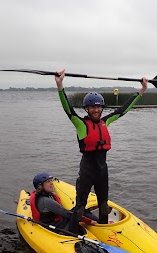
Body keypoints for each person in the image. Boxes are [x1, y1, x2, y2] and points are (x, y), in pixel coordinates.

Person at [55, 69, 148, 233]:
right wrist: (60, 84)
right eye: (92, 108)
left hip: (102, 172)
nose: (96, 110)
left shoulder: (106, 121)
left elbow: (123, 110)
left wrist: (142, 91)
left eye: (98, 107)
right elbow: (67, 108)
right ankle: (73, 234)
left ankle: (104, 232)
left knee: (104, 204)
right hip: (86, 172)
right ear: (86, 109)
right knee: (80, 206)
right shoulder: (80, 124)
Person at [30, 172, 98, 230]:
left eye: (51, 180)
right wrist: (89, 221)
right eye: (48, 182)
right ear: (40, 186)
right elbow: (67, 214)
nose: (51, 183)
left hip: (56, 222)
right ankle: (98, 224)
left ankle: (98, 222)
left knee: (80, 210)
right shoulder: (45, 201)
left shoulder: (46, 195)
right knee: (80, 211)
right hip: (55, 227)